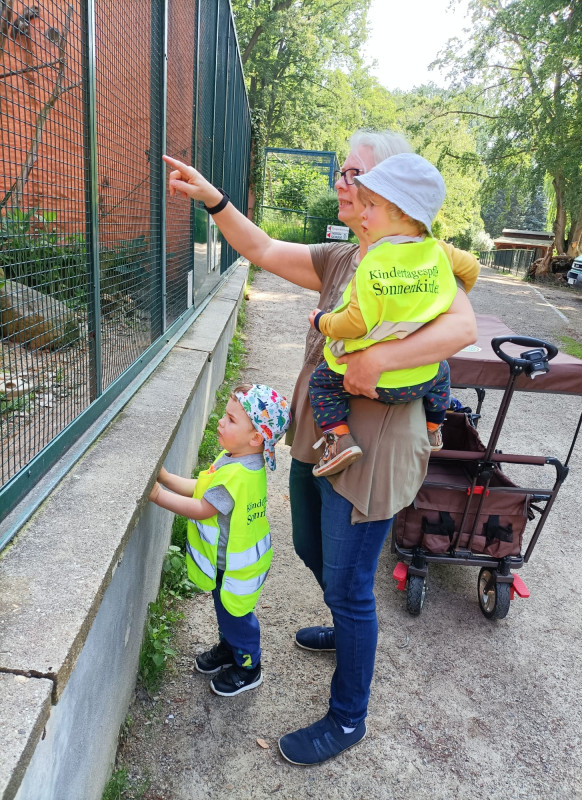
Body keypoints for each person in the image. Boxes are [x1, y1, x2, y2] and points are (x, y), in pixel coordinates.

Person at [162, 129, 479, 764]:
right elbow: (262, 247)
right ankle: (342, 619)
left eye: (354, 173)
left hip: (373, 453)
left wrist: (382, 357)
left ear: (385, 191)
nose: (342, 181)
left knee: (351, 583)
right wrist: (214, 199)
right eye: (341, 169)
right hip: (316, 438)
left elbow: (463, 324)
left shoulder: (419, 261)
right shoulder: (342, 259)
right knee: (311, 545)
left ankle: (347, 717)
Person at [307, 152, 455, 478]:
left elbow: (354, 324)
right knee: (443, 369)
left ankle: (340, 441)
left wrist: (322, 321)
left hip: (374, 382)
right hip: (421, 380)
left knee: (320, 385)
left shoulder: (374, 261)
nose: (364, 212)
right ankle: (433, 427)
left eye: (371, 206)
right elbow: (468, 269)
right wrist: (465, 283)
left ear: (401, 212)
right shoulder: (436, 253)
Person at [149, 383, 290, 697]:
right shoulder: (235, 458)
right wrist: (168, 478)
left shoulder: (238, 474)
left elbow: (201, 508)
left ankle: (249, 666)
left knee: (237, 615)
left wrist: (159, 495)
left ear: (256, 438)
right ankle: (230, 648)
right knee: (227, 611)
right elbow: (203, 488)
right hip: (231, 562)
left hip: (237, 567)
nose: (220, 422)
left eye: (230, 419)